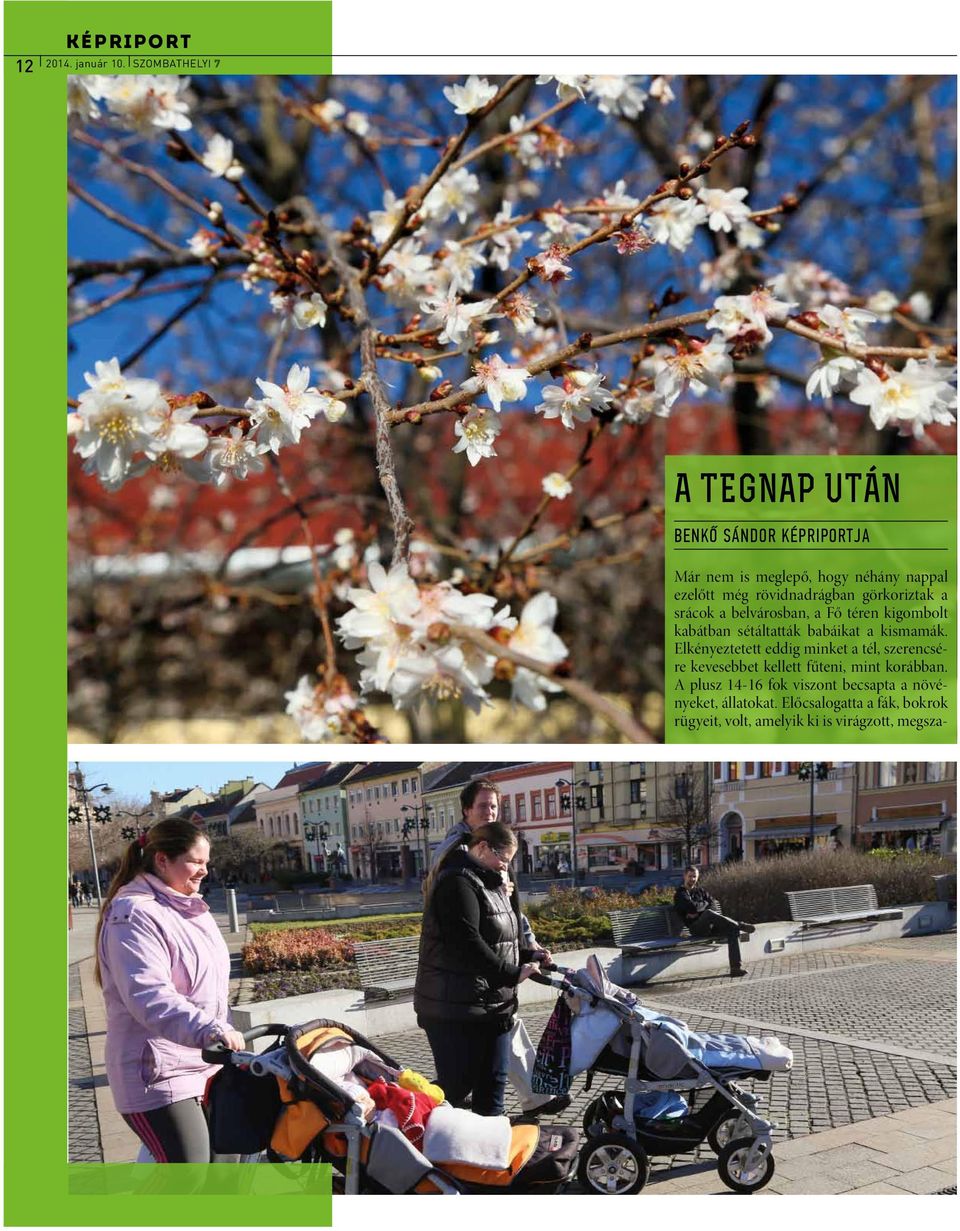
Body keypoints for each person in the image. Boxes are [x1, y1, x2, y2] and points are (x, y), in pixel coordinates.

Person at [95, 818, 246, 1163]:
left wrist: (219, 1034)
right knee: (189, 1174)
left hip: (207, 1061)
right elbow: (149, 996)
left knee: (226, 1171)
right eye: (196, 861)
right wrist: (210, 1029)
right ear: (162, 860)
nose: (205, 871)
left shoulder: (192, 908)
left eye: (207, 862)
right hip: (157, 1070)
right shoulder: (132, 913)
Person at [425, 781, 569, 1118]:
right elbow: (467, 934)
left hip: (485, 989)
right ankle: (416, 1121)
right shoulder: (458, 859)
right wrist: (510, 969)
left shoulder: (494, 852)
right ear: (466, 811)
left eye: (493, 807)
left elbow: (508, 911)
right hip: (459, 992)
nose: (489, 812)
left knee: (491, 1078)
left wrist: (527, 947)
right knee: (461, 1084)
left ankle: (516, 1116)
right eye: (482, 807)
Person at [415, 822, 541, 1116]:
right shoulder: (456, 883)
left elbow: (501, 937)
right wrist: (511, 974)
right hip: (453, 1008)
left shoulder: (493, 882)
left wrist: (530, 954)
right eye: (503, 859)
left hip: (493, 1004)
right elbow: (467, 943)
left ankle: (487, 1156)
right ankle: (408, 1122)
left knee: (493, 1085)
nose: (505, 867)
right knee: (457, 1086)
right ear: (482, 848)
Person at [673, 865, 755, 978]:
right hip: (696, 929)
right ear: (684, 876)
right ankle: (739, 924)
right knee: (708, 914)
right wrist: (703, 907)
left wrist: (699, 908)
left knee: (732, 930)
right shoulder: (680, 894)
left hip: (711, 926)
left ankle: (736, 968)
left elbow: (713, 905)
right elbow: (692, 907)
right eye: (690, 876)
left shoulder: (700, 891)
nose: (692, 879)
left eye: (695, 877)